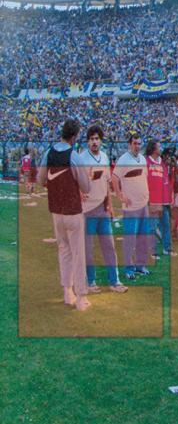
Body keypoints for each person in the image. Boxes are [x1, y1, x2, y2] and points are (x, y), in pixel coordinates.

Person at [37, 119, 92, 310]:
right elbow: (86, 186)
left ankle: (67, 292)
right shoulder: (74, 156)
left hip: (56, 211)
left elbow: (40, 179)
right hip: (73, 210)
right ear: (75, 136)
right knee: (78, 253)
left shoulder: (48, 153)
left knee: (64, 250)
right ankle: (81, 297)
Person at [74, 125, 126, 293]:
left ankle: (115, 281)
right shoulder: (81, 159)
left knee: (109, 246)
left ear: (101, 140)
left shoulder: (104, 157)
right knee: (88, 249)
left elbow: (107, 183)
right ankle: (91, 281)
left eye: (97, 139)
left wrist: (110, 205)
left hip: (102, 209)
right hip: (87, 210)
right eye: (91, 139)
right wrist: (80, 191)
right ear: (87, 141)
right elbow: (74, 182)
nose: (94, 142)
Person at [114, 133, 151, 281]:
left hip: (143, 204)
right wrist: (120, 196)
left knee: (143, 237)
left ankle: (140, 265)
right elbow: (115, 178)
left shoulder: (142, 159)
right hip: (131, 207)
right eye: (135, 143)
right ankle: (128, 268)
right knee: (130, 238)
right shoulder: (123, 159)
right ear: (130, 144)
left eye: (139, 143)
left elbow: (144, 177)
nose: (137, 146)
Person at [145, 140, 172, 257]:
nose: (160, 149)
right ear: (153, 148)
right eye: (159, 146)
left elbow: (166, 180)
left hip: (164, 199)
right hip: (153, 200)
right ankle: (152, 251)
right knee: (152, 226)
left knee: (166, 225)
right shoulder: (146, 161)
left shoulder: (164, 163)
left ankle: (167, 248)